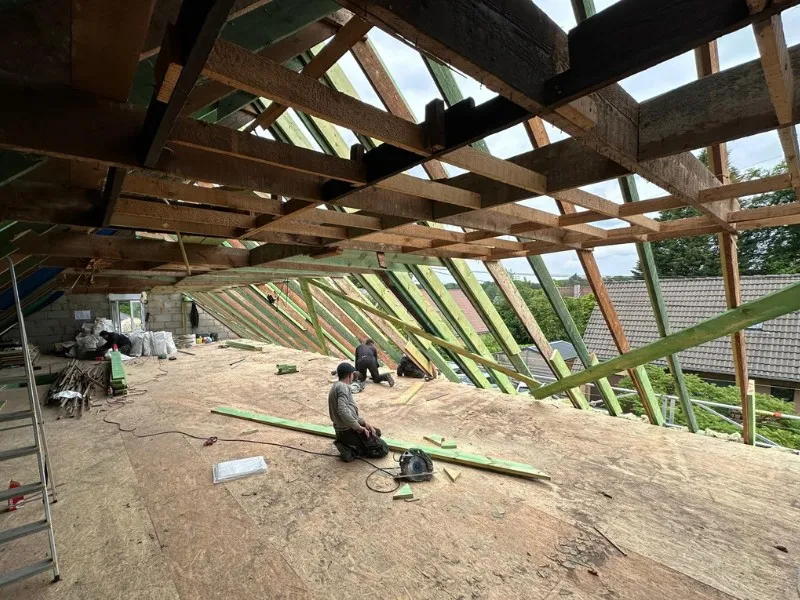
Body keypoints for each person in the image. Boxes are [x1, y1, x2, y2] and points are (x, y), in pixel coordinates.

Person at [328, 362, 389, 462]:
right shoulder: (343, 387)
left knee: (376, 432)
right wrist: (359, 428)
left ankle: (350, 443)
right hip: (346, 430)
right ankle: (349, 448)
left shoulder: (337, 386)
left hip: (345, 428)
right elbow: (343, 411)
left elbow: (349, 412)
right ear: (349, 375)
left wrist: (364, 423)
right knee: (382, 449)